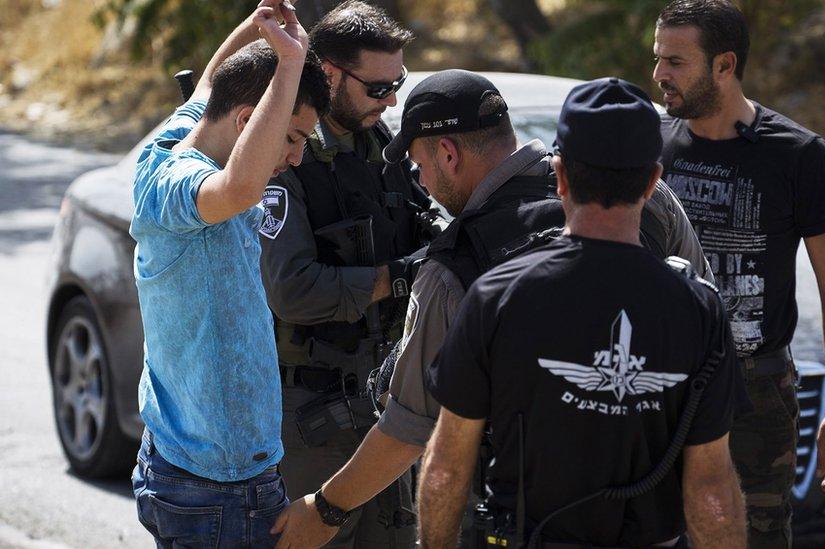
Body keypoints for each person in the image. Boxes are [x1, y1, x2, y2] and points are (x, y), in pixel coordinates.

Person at [271, 69, 712, 548]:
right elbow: (705, 328)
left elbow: (409, 429)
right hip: (652, 521)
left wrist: (327, 507)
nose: (421, 182)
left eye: (419, 165)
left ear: (447, 153)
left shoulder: (453, 269)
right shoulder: (647, 201)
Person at [418, 77, 746, 549]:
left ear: (560, 174)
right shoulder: (697, 308)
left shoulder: (497, 296)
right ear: (654, 181)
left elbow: (447, 468)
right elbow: (711, 488)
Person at [652, 1, 825, 546]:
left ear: (724, 65)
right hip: (656, 386)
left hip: (754, 393)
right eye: (658, 59)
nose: (659, 75)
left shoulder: (797, 155)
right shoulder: (651, 145)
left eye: (676, 61)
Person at [128, 2, 329, 547]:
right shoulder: (176, 185)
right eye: (292, 137)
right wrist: (290, 66)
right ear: (248, 122)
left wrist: (261, 24)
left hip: (189, 463)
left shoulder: (185, 132)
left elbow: (212, 84)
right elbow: (240, 189)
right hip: (215, 488)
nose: (296, 157)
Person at [258, 2, 429, 546]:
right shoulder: (286, 155)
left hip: (383, 406)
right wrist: (397, 277)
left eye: (396, 83)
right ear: (328, 73)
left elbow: (426, 225)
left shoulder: (382, 147)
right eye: (378, 88)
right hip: (313, 417)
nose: (392, 99)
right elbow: (293, 290)